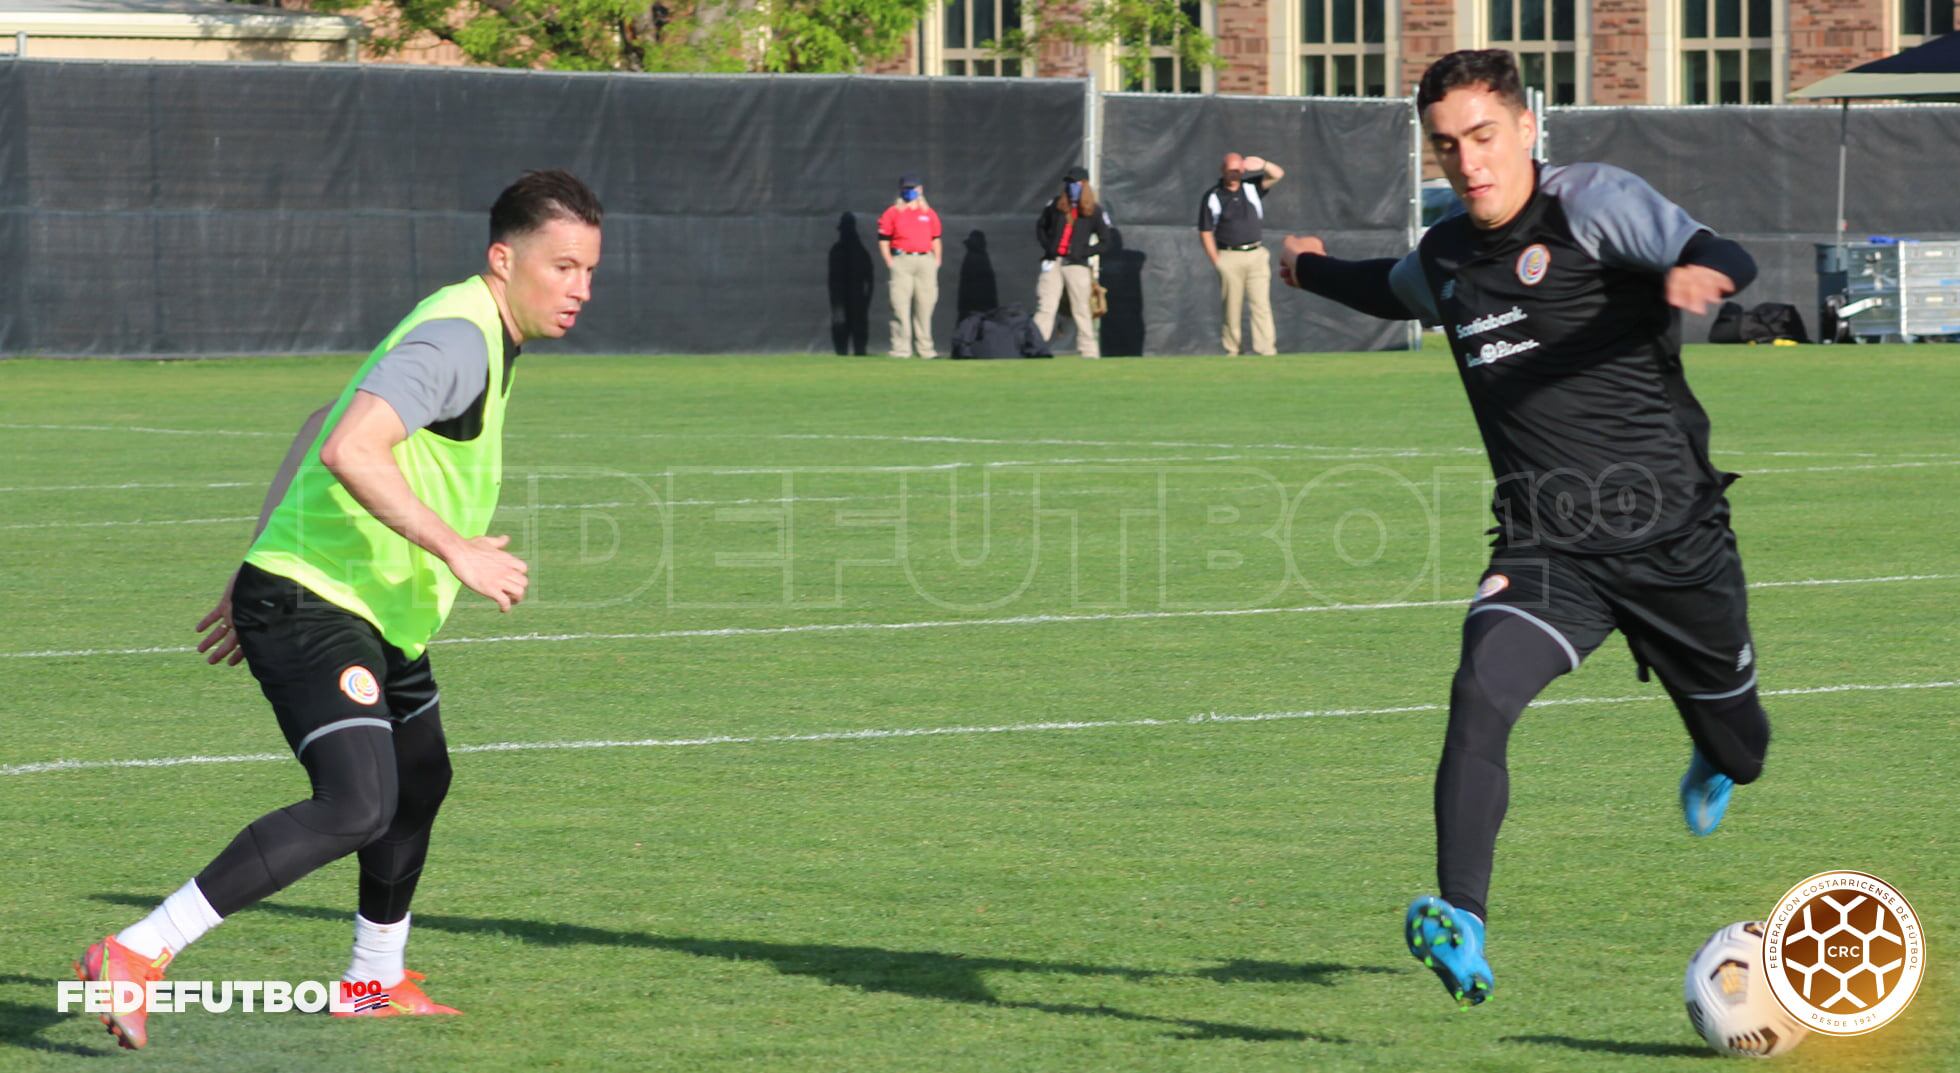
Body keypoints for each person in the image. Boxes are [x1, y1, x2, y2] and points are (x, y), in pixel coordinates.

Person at [1277, 50, 1769, 1009]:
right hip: (1547, 548)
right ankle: (1463, 914)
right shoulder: (1450, 254)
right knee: (1479, 688)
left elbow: (1722, 249)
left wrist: (1703, 275)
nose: (1467, 163)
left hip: (1675, 539)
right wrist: (1306, 268)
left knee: (1745, 748)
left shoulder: (1589, 204)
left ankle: (1713, 744)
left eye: (1484, 136)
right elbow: (1392, 286)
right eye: (1446, 146)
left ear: (1527, 128)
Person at [72, 170, 605, 1049]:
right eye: (563, 266)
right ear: (504, 259)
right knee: (359, 801)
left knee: (418, 779)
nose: (580, 287)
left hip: (366, 601)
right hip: (318, 603)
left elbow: (326, 414)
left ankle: (372, 979)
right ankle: (137, 951)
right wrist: (455, 547)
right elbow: (352, 445)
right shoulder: (460, 339)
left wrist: (260, 550)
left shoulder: (478, 328)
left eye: (589, 268)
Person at [1198, 151, 1286, 356]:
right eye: (1231, 171)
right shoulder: (1213, 196)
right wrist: (1217, 260)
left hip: (1256, 254)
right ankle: (1233, 349)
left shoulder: (1251, 188)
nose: (1234, 175)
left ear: (1243, 170)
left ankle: (1266, 350)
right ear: (1223, 170)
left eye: (1238, 171)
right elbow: (1205, 231)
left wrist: (1263, 164)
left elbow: (1278, 174)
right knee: (1231, 307)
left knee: (1261, 304)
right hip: (1229, 256)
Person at [1033, 166, 1111, 359]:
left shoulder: (1094, 211)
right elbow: (1041, 227)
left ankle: (1089, 352)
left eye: (1076, 183)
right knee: (1046, 306)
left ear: (1084, 185)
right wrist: (1049, 248)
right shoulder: (1056, 205)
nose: (1072, 187)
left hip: (1076, 265)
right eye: (1069, 183)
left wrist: (1084, 252)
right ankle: (1035, 348)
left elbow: (1105, 240)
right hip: (1054, 262)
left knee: (1081, 309)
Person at [877, 172, 943, 358]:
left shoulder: (928, 214)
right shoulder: (893, 213)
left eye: (912, 188)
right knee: (899, 305)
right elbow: (883, 240)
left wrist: (936, 260)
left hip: (925, 261)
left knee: (925, 305)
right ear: (900, 190)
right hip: (902, 261)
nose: (909, 192)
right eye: (906, 189)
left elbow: (936, 238)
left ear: (920, 190)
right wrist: (890, 261)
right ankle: (901, 349)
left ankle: (926, 349)